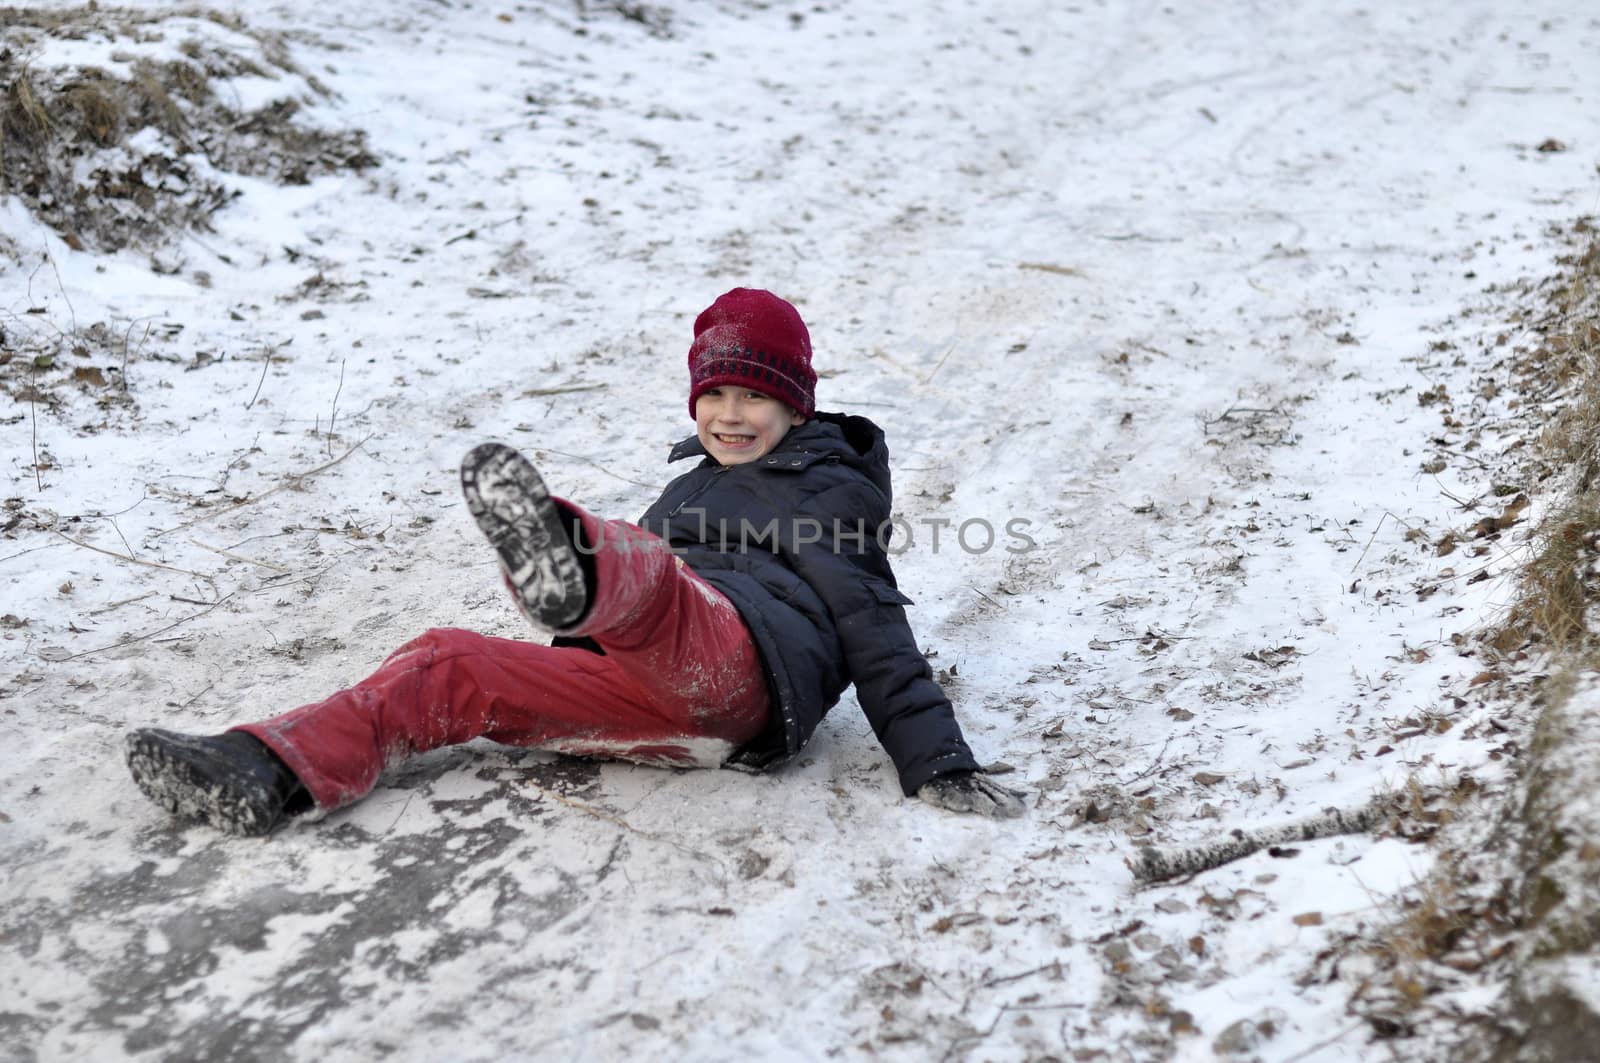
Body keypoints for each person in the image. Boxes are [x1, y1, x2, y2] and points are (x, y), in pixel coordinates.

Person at [125, 287, 1026, 836]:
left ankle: (572, 555)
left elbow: (873, 623)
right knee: (449, 661)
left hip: (744, 676)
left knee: (658, 583)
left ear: (796, 405)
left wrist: (936, 759)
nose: (732, 411)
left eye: (756, 393)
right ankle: (270, 770)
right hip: (660, 705)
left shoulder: (827, 489)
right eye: (716, 390)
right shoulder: (691, 488)